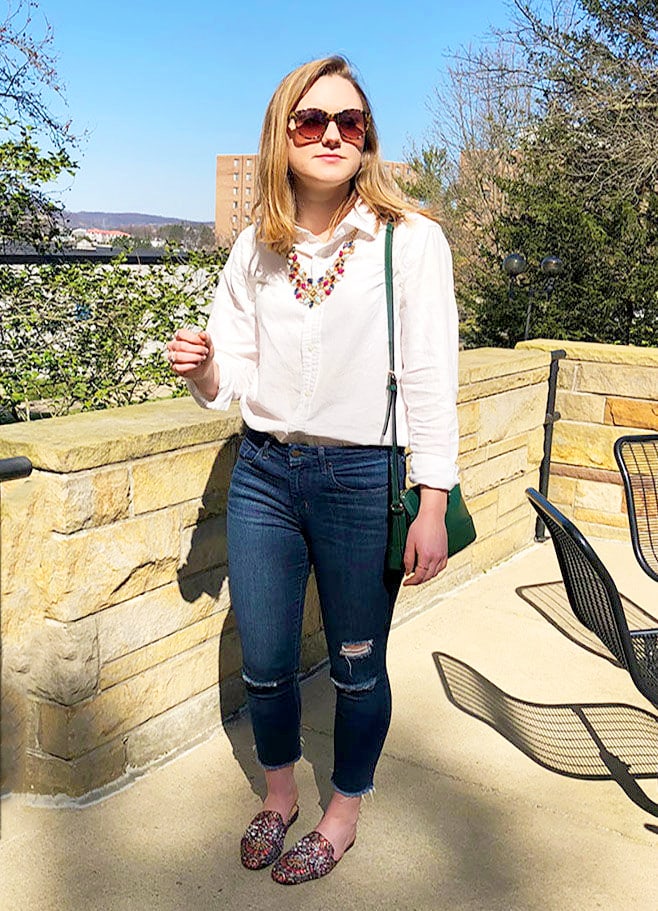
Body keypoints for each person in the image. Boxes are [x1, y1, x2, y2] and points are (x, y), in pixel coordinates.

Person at [167, 55, 459, 885]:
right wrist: (201, 370)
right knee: (264, 658)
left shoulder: (412, 240)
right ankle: (281, 793)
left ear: (366, 137)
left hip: (365, 482)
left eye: (349, 121)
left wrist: (430, 498)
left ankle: (344, 811)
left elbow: (437, 377)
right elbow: (235, 378)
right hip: (263, 471)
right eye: (311, 120)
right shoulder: (259, 246)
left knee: (358, 666)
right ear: (282, 134)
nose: (332, 134)